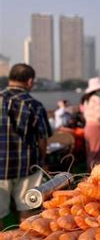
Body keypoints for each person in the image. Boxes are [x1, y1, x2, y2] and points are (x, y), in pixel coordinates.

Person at [0, 64, 51, 228]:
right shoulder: (34, 104)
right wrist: (43, 161)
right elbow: (42, 138)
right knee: (27, 213)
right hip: (27, 166)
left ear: (10, 78)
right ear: (30, 81)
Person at [83, 77, 100, 171]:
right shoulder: (97, 99)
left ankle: (89, 173)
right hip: (96, 127)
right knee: (97, 152)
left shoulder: (86, 100)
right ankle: (95, 174)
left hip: (88, 127)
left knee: (90, 152)